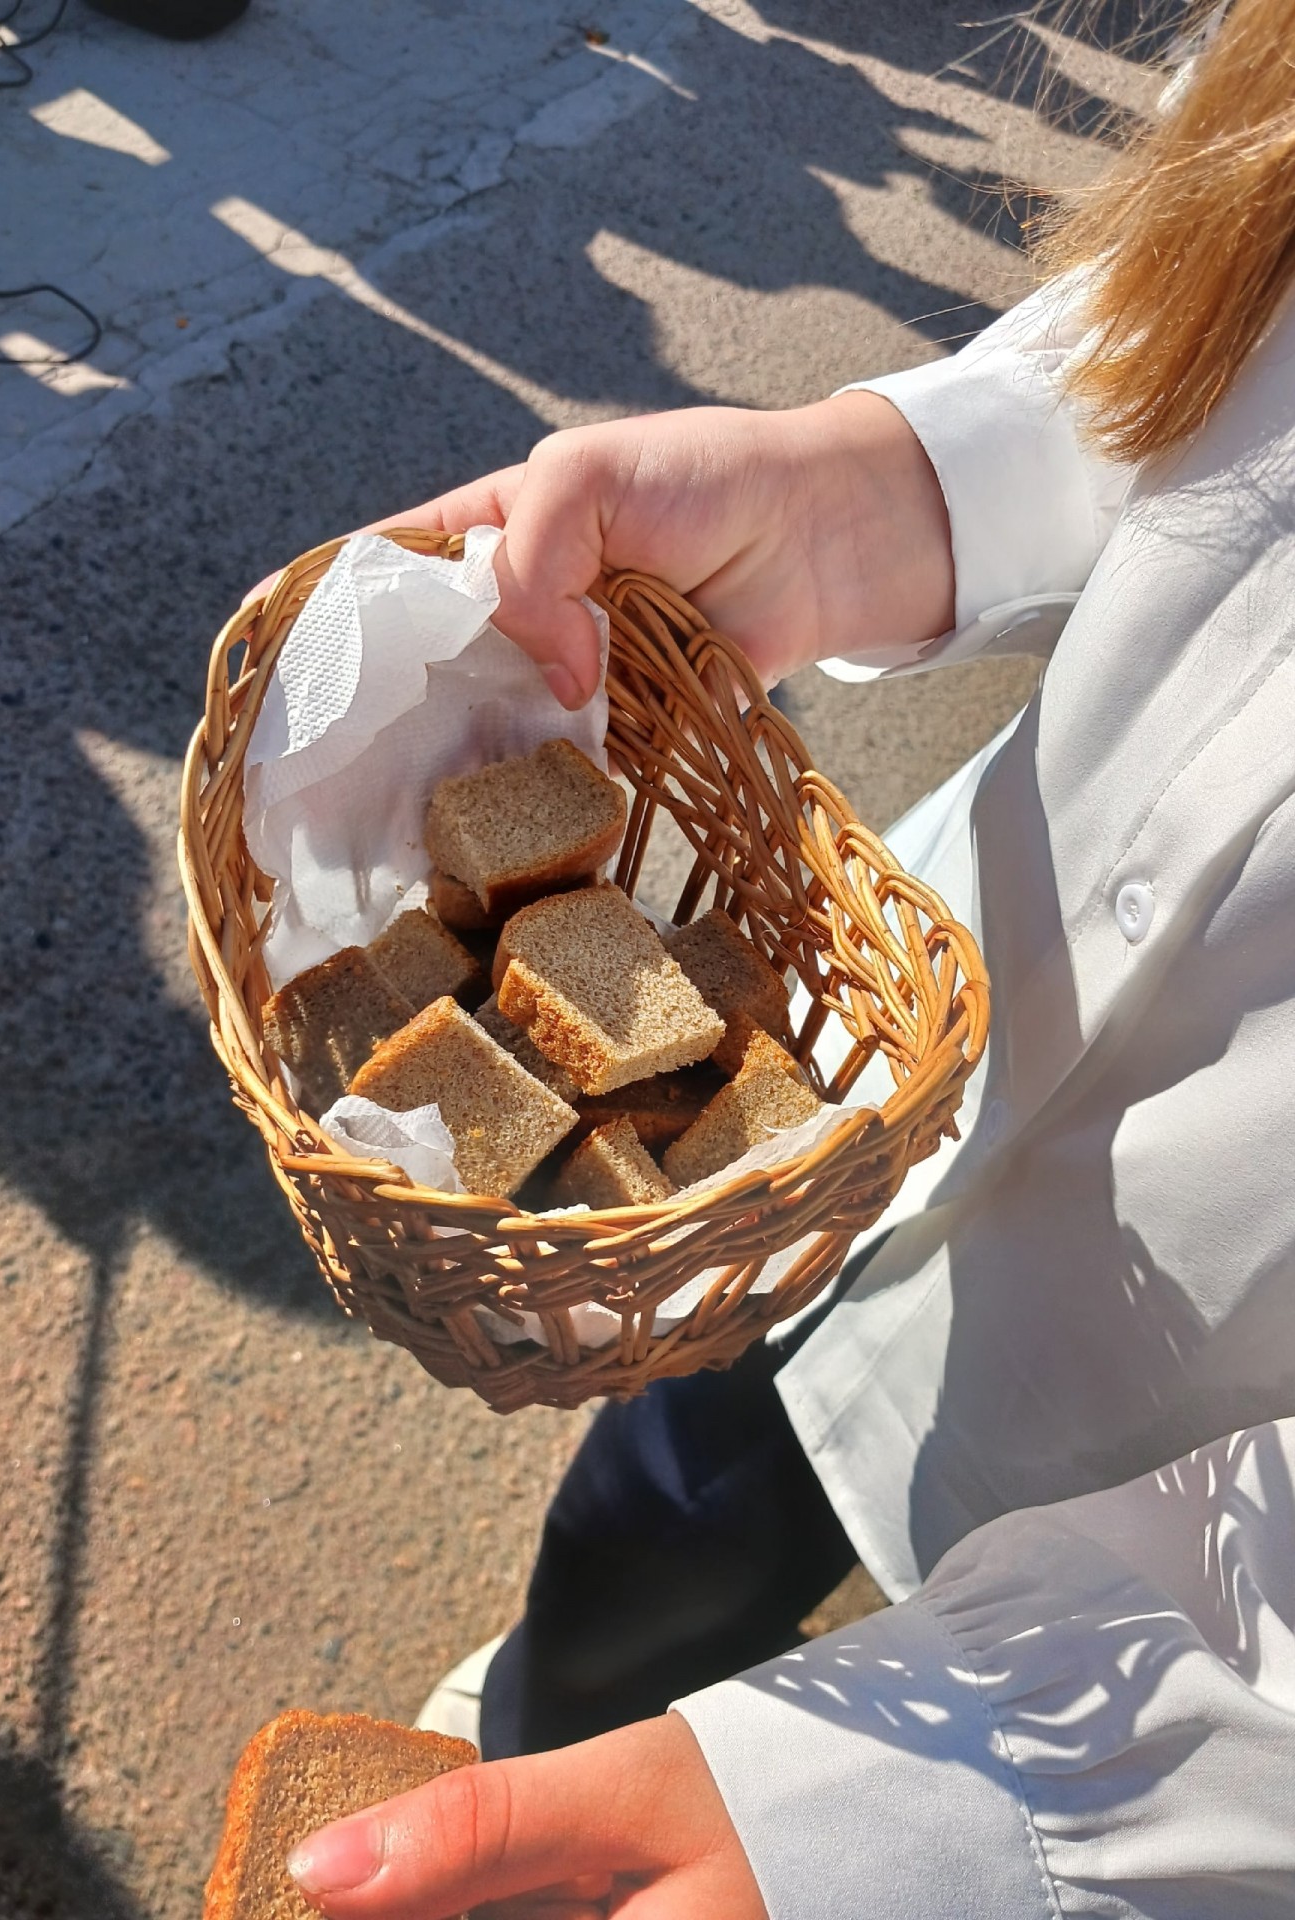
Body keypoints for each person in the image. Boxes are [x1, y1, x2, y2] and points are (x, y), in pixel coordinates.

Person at [286, 0, 1295, 1910]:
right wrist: (883, 486)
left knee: (825, 1678)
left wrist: (959, 1822)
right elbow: (1226, 282)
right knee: (639, 1538)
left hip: (1186, 1498)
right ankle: (552, 1694)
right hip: (854, 1132)